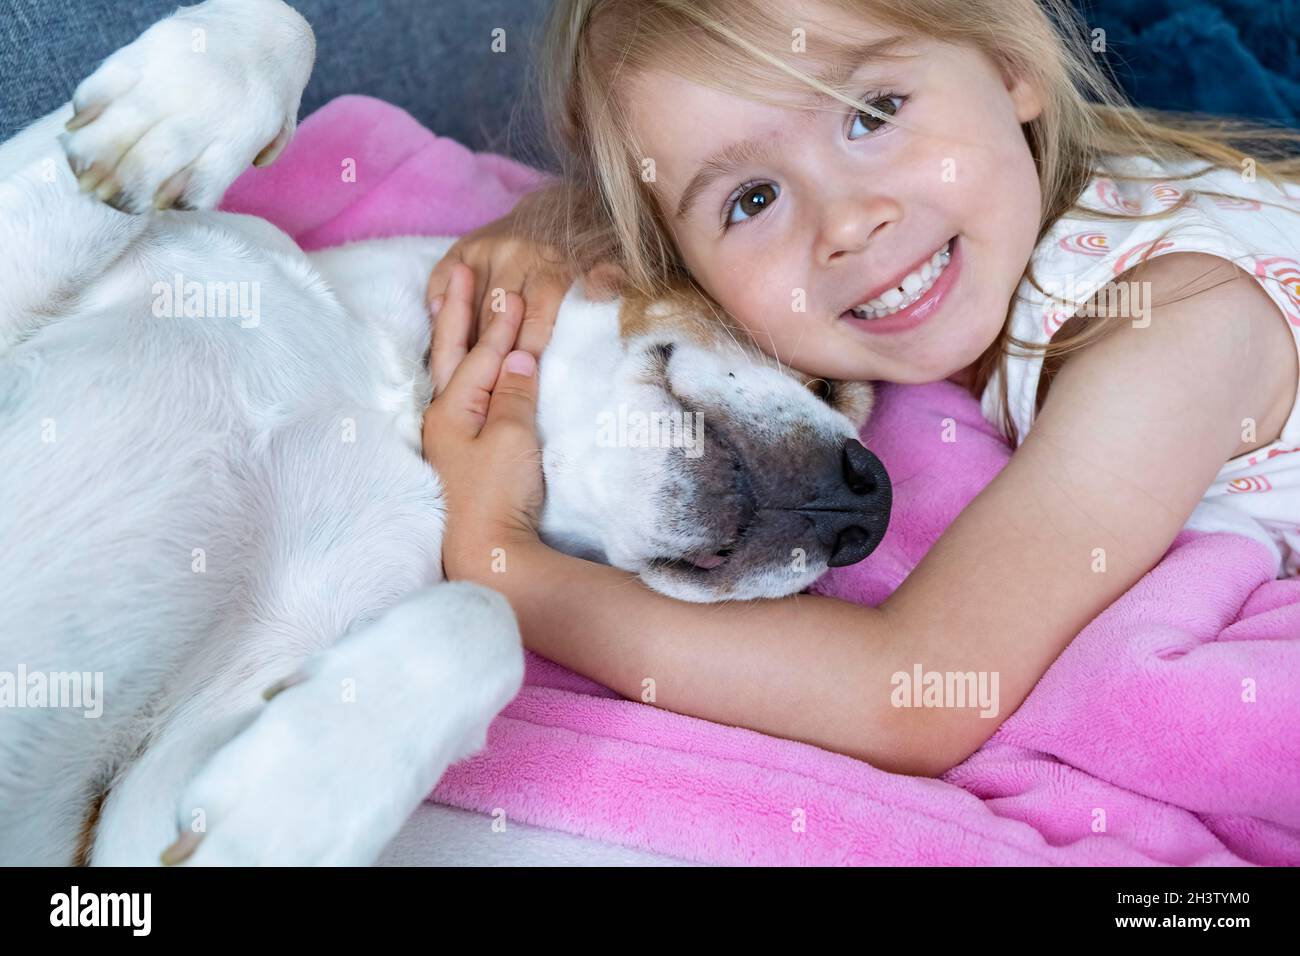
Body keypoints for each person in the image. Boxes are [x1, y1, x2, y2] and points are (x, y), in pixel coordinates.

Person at [420, 0, 1300, 776]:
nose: (846, 220)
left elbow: (915, 693)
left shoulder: (1178, 324)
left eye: (873, 113)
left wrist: (504, 562)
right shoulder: (989, 210)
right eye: (753, 200)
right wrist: (544, 232)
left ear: (1011, 64)